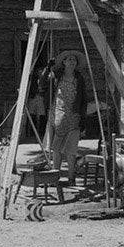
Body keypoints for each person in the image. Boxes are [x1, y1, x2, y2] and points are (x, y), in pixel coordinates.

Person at [41, 50, 88, 183]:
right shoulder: (56, 76)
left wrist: (82, 117)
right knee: (56, 148)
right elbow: (42, 83)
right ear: (63, 62)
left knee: (71, 149)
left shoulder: (79, 78)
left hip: (73, 116)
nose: (72, 61)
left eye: (74, 60)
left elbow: (84, 99)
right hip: (58, 114)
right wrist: (47, 68)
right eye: (69, 59)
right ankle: (55, 176)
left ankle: (71, 177)